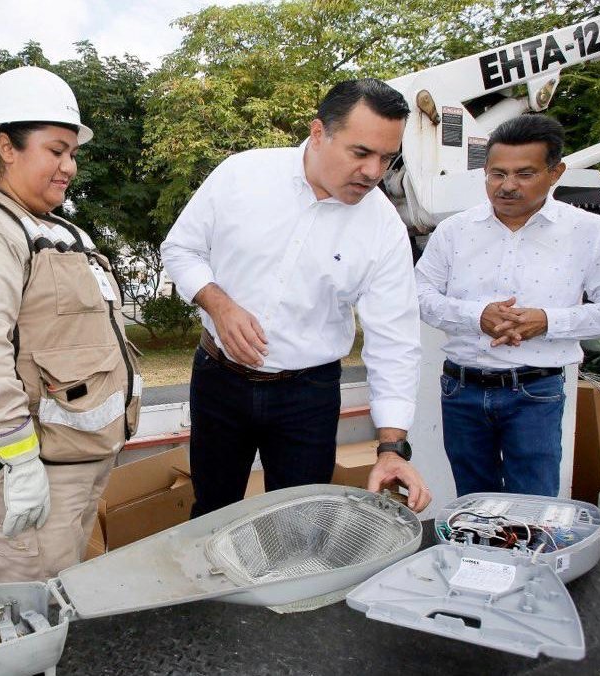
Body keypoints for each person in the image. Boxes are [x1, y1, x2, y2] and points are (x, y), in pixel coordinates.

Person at [0, 66, 142, 583]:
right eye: (56, 150)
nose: (70, 167)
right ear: (7, 147)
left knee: (59, 591)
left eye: (73, 153)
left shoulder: (56, 230)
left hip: (74, 461)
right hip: (26, 469)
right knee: (31, 605)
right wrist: (21, 463)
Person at [161, 78, 431, 518]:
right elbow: (180, 249)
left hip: (308, 396)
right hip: (219, 381)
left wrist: (392, 447)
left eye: (387, 158)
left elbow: (395, 340)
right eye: (361, 153)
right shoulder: (241, 175)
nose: (373, 172)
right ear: (318, 132)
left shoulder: (383, 226)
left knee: (301, 524)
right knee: (212, 512)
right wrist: (218, 303)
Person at [415, 114, 600, 497]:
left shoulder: (588, 232)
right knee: (473, 502)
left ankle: (529, 556)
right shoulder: (454, 230)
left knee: (533, 505)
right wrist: (477, 317)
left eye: (524, 174)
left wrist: (548, 321)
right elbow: (418, 296)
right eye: (496, 174)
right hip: (461, 389)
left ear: (556, 173)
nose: (507, 186)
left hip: (535, 393)